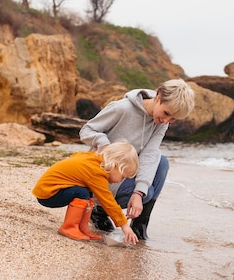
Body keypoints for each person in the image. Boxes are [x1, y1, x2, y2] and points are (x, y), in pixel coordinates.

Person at [79, 78, 196, 240]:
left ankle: (140, 225)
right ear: (158, 97)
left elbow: (149, 154)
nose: (167, 121)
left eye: (173, 119)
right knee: (147, 191)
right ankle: (99, 210)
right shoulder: (123, 108)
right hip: (103, 174)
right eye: (167, 114)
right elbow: (87, 130)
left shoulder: (161, 123)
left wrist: (138, 193)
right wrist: (104, 144)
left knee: (161, 163)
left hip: (125, 173)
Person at [33, 141, 140, 244]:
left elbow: (76, 155)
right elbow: (107, 201)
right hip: (48, 194)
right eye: (123, 177)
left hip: (48, 190)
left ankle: (82, 228)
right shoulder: (96, 172)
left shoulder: (94, 159)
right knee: (82, 192)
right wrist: (124, 226)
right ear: (115, 166)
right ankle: (69, 227)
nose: (121, 181)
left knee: (87, 193)